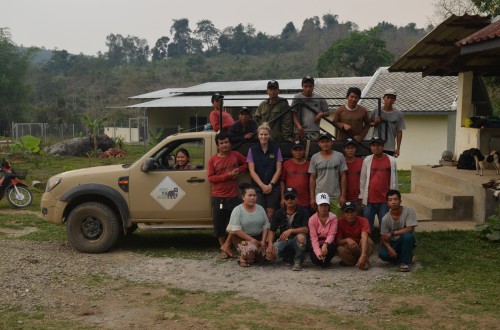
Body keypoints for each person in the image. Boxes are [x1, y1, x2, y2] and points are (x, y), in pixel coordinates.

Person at [207, 132, 248, 259]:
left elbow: (247, 163)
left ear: (230, 143)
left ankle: (228, 245)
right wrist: (228, 176)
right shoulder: (213, 160)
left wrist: (239, 170)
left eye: (226, 142)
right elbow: (211, 178)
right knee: (219, 224)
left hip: (233, 196)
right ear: (217, 145)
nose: (225, 145)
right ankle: (223, 248)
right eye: (222, 143)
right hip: (218, 196)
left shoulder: (235, 155)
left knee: (234, 223)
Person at [360, 136, 398, 233]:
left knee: (384, 227)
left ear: (383, 146)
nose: (376, 148)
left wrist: (394, 198)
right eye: (373, 145)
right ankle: (368, 243)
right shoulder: (367, 160)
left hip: (384, 201)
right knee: (368, 227)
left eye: (378, 145)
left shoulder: (391, 160)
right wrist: (361, 196)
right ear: (371, 147)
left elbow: (395, 180)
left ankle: (384, 243)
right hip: (369, 200)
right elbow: (363, 179)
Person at [266, 187, 310, 271]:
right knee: (269, 255)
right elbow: (272, 230)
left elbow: (306, 229)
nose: (289, 200)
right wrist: (270, 245)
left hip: (296, 240)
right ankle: (286, 257)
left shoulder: (303, 212)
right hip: (284, 241)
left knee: (301, 237)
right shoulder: (278, 213)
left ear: (296, 199)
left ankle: (298, 261)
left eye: (292, 197)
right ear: (283, 200)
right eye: (287, 198)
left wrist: (291, 230)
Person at [227, 183, 270, 267]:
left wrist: (263, 241)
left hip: (258, 238)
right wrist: (251, 239)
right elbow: (237, 230)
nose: (252, 198)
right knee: (251, 249)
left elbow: (266, 226)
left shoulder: (260, 208)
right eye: (249, 195)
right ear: (243, 197)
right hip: (241, 239)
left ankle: (254, 257)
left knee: (271, 254)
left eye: (254, 195)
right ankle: (242, 257)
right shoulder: (237, 210)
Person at [247, 123, 283, 221]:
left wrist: (270, 185)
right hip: (258, 187)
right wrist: (262, 185)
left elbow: (279, 170)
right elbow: (251, 171)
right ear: (258, 135)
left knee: (270, 214)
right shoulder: (252, 150)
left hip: (273, 187)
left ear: (269, 135)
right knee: (260, 213)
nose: (263, 137)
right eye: (261, 134)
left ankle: (268, 236)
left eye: (266, 134)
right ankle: (261, 236)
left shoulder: (276, 149)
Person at [308, 133, 347, 216]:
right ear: (319, 144)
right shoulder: (315, 157)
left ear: (332, 142)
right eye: (322, 142)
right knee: (322, 222)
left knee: (337, 221)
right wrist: (312, 197)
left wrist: (343, 195)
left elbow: (343, 176)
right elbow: (312, 178)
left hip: (335, 196)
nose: (325, 144)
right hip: (320, 196)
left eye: (327, 141)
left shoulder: (339, 156)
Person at [379, 190, 417, 272]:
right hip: (393, 243)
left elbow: (410, 228)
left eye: (395, 199)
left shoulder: (409, 211)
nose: (393, 202)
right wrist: (389, 248)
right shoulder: (385, 218)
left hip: (406, 240)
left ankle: (405, 263)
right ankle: (405, 255)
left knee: (407, 235)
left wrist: (392, 233)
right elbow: (383, 237)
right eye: (390, 200)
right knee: (383, 255)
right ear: (387, 203)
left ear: (400, 201)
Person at [335, 202, 373, 270]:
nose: (350, 215)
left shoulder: (363, 220)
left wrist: (363, 254)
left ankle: (364, 259)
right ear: (343, 214)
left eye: (352, 212)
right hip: (350, 247)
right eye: (347, 212)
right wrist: (347, 240)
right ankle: (357, 262)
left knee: (368, 241)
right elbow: (337, 241)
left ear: (356, 212)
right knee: (340, 248)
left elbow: (364, 236)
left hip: (361, 245)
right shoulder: (340, 221)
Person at [291, 76, 330, 141]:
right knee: (299, 149)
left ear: (313, 86)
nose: (308, 89)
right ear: (302, 86)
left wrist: (321, 114)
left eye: (310, 86)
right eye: (306, 86)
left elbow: (327, 112)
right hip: (299, 131)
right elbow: (293, 113)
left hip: (314, 131)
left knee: (313, 149)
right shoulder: (297, 97)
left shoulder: (320, 98)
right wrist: (298, 126)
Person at [371, 88, 406, 157]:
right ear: (383, 98)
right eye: (388, 97)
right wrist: (375, 122)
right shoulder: (376, 111)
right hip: (376, 146)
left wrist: (398, 148)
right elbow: (368, 125)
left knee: (388, 166)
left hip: (390, 147)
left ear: (395, 100)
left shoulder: (398, 114)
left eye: (392, 98)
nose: (390, 100)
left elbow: (399, 131)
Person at [280, 140, 311, 215]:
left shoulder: (309, 164)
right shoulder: (286, 164)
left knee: (304, 223)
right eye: (295, 150)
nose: (298, 152)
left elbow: (312, 182)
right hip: (289, 200)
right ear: (292, 151)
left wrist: (312, 198)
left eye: (300, 150)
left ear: (304, 151)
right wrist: (282, 198)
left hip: (305, 201)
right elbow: (282, 181)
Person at [308, 192, 338, 268]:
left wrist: (325, 244)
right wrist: (318, 252)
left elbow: (332, 234)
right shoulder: (312, 219)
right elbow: (314, 238)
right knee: (316, 260)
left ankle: (327, 261)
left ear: (329, 206)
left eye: (325, 205)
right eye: (321, 205)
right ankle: (320, 260)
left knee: (331, 248)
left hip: (328, 243)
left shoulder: (333, 218)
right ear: (317, 206)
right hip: (317, 242)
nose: (323, 208)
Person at [343, 138, 363, 207]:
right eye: (348, 148)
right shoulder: (340, 162)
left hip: (358, 198)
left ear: (355, 149)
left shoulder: (361, 162)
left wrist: (363, 196)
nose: (350, 150)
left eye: (352, 148)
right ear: (344, 149)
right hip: (343, 198)